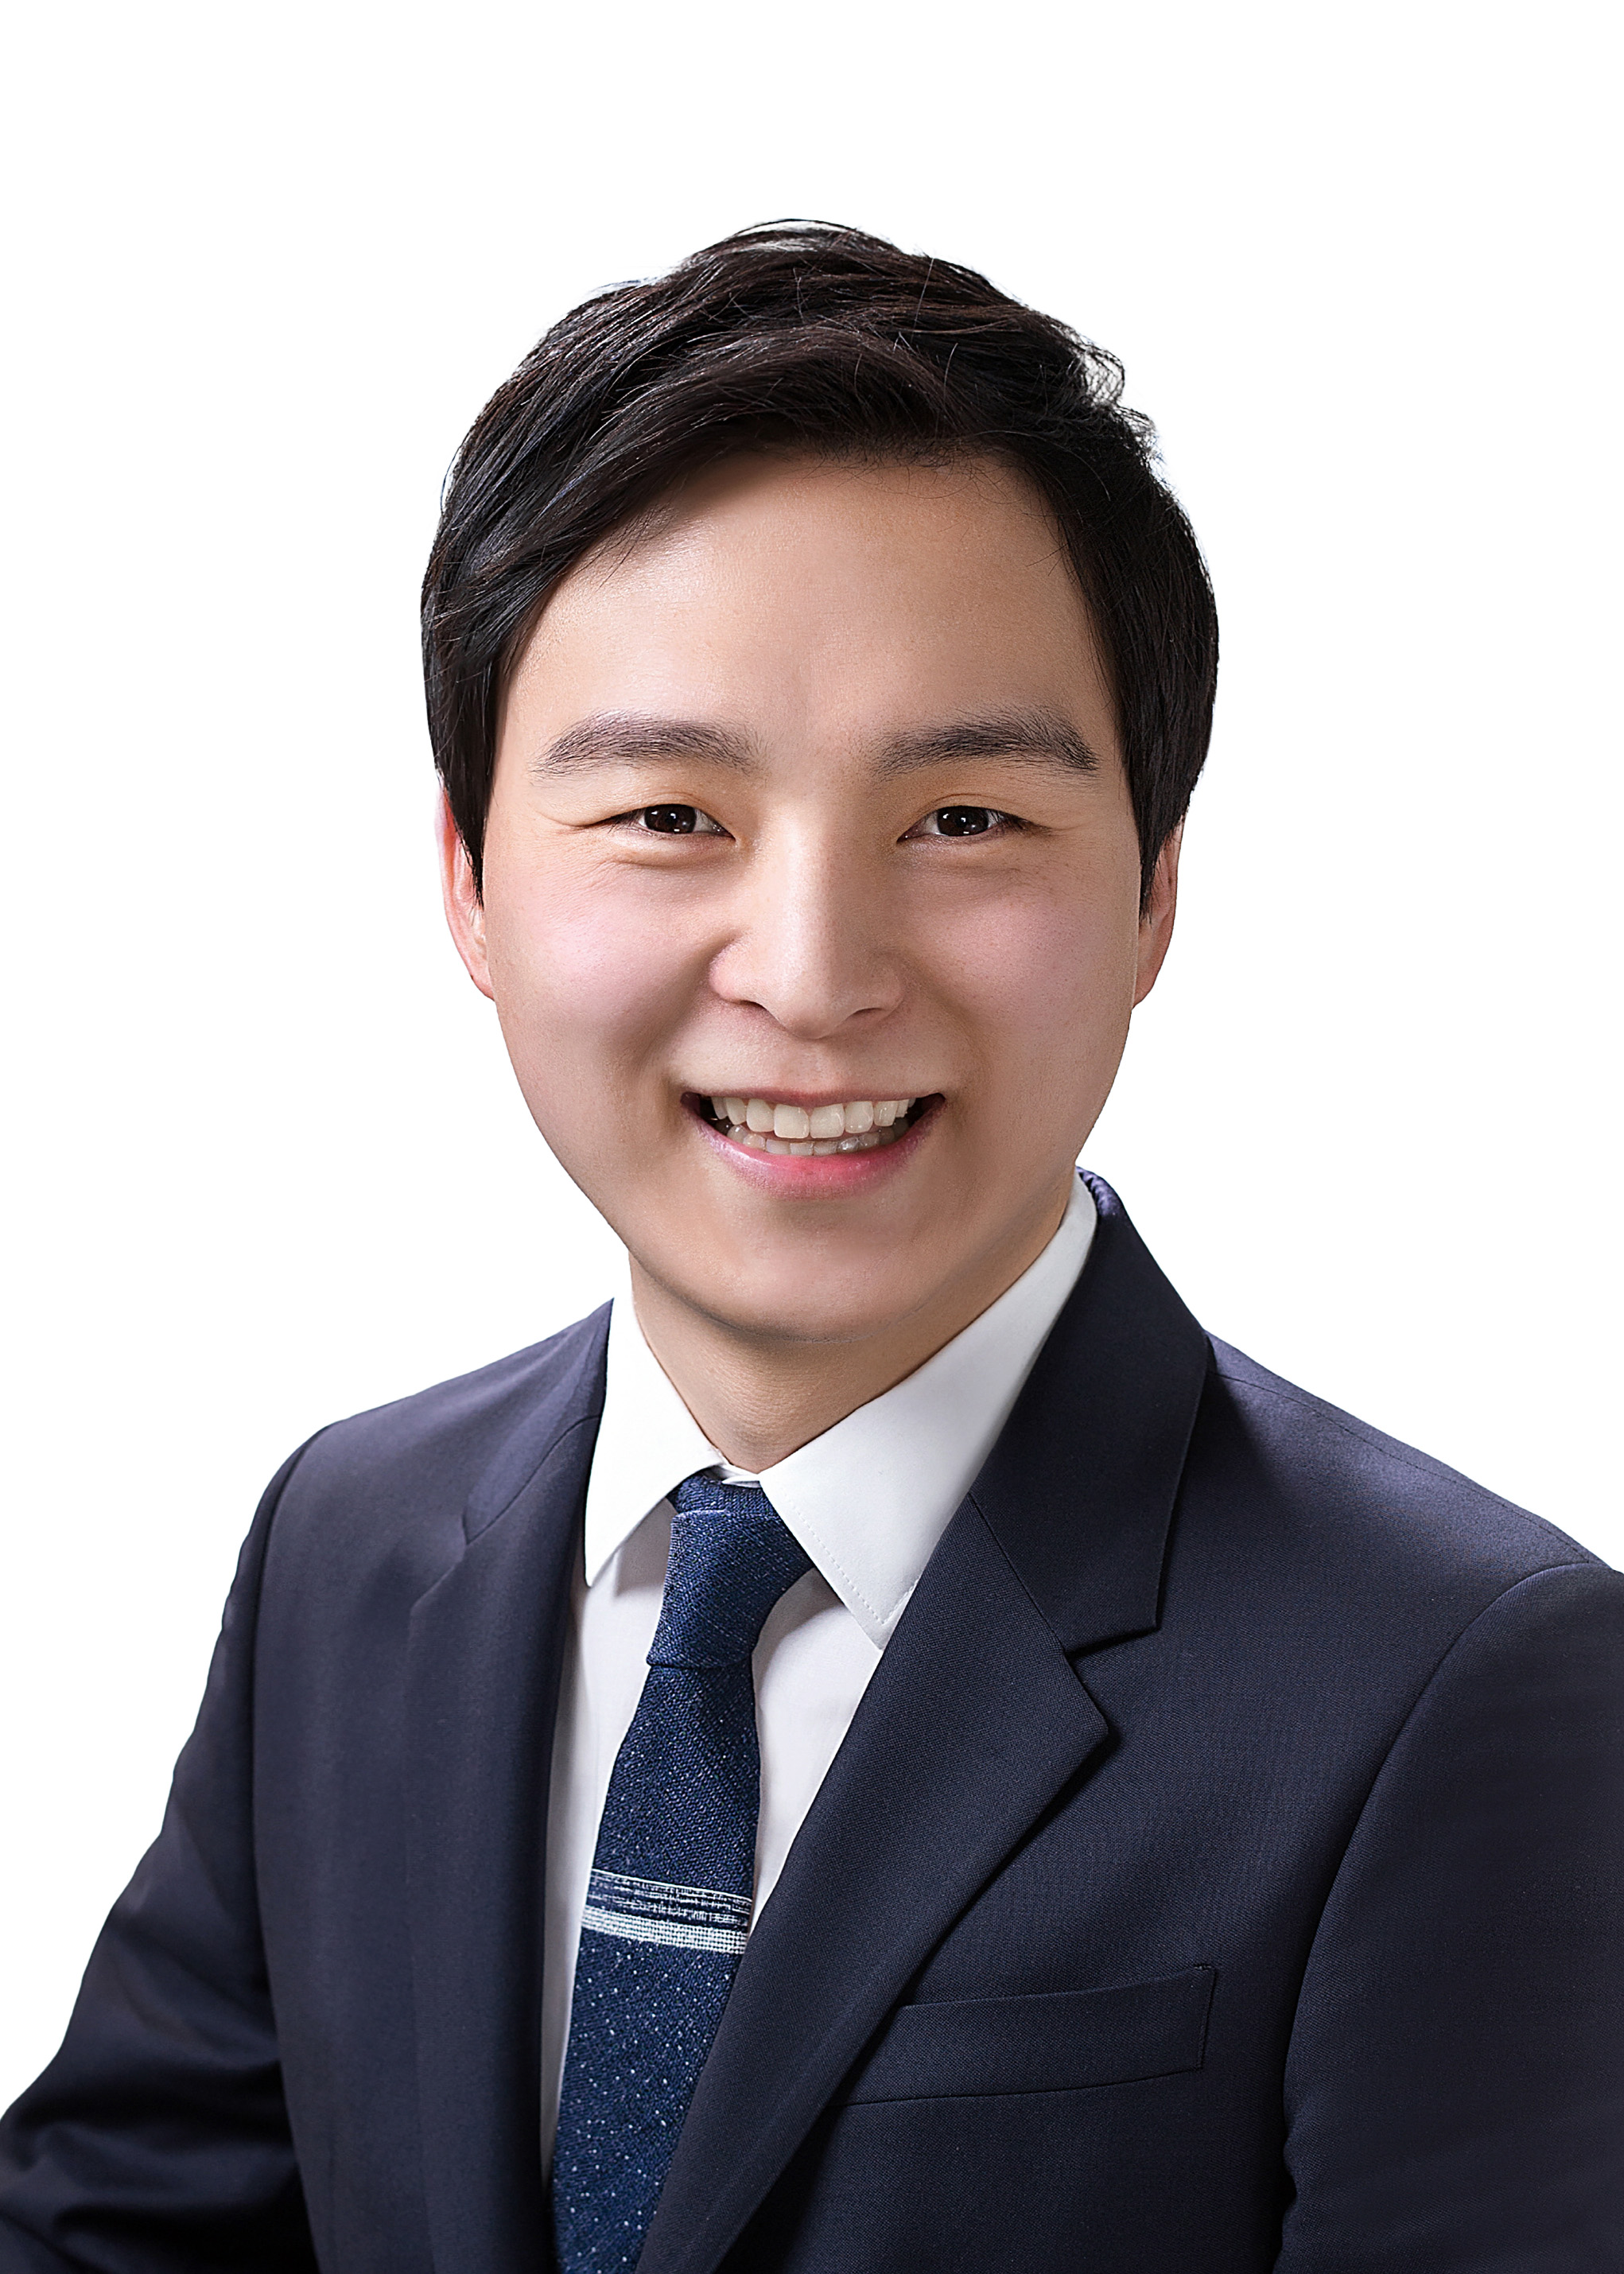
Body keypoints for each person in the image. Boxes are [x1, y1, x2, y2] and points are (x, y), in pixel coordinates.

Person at [2, 221, 1618, 2274]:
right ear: (470, 881)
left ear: (1152, 895)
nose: (812, 972)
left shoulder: (1470, 1686)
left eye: (963, 822)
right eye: (669, 814)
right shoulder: (355, 1541)